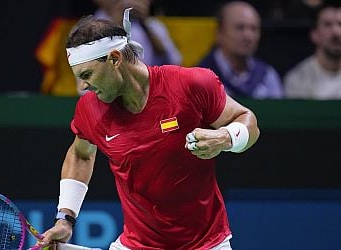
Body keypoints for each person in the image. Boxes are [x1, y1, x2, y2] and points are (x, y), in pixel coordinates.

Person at [34, 8, 260, 250]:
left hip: (207, 244)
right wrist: (65, 219)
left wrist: (226, 137)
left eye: (87, 74)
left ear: (114, 59)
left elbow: (247, 120)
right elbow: (80, 153)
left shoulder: (190, 85)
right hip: (136, 244)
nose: (82, 86)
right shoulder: (90, 108)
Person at [198, 1, 283, 99]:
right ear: (219, 33)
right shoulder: (199, 78)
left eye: (253, 29)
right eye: (240, 28)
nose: (248, 36)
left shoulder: (267, 77)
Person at [284, 2, 341, 99]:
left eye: (340, 24)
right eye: (328, 24)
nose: (336, 32)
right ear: (314, 34)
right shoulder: (297, 79)